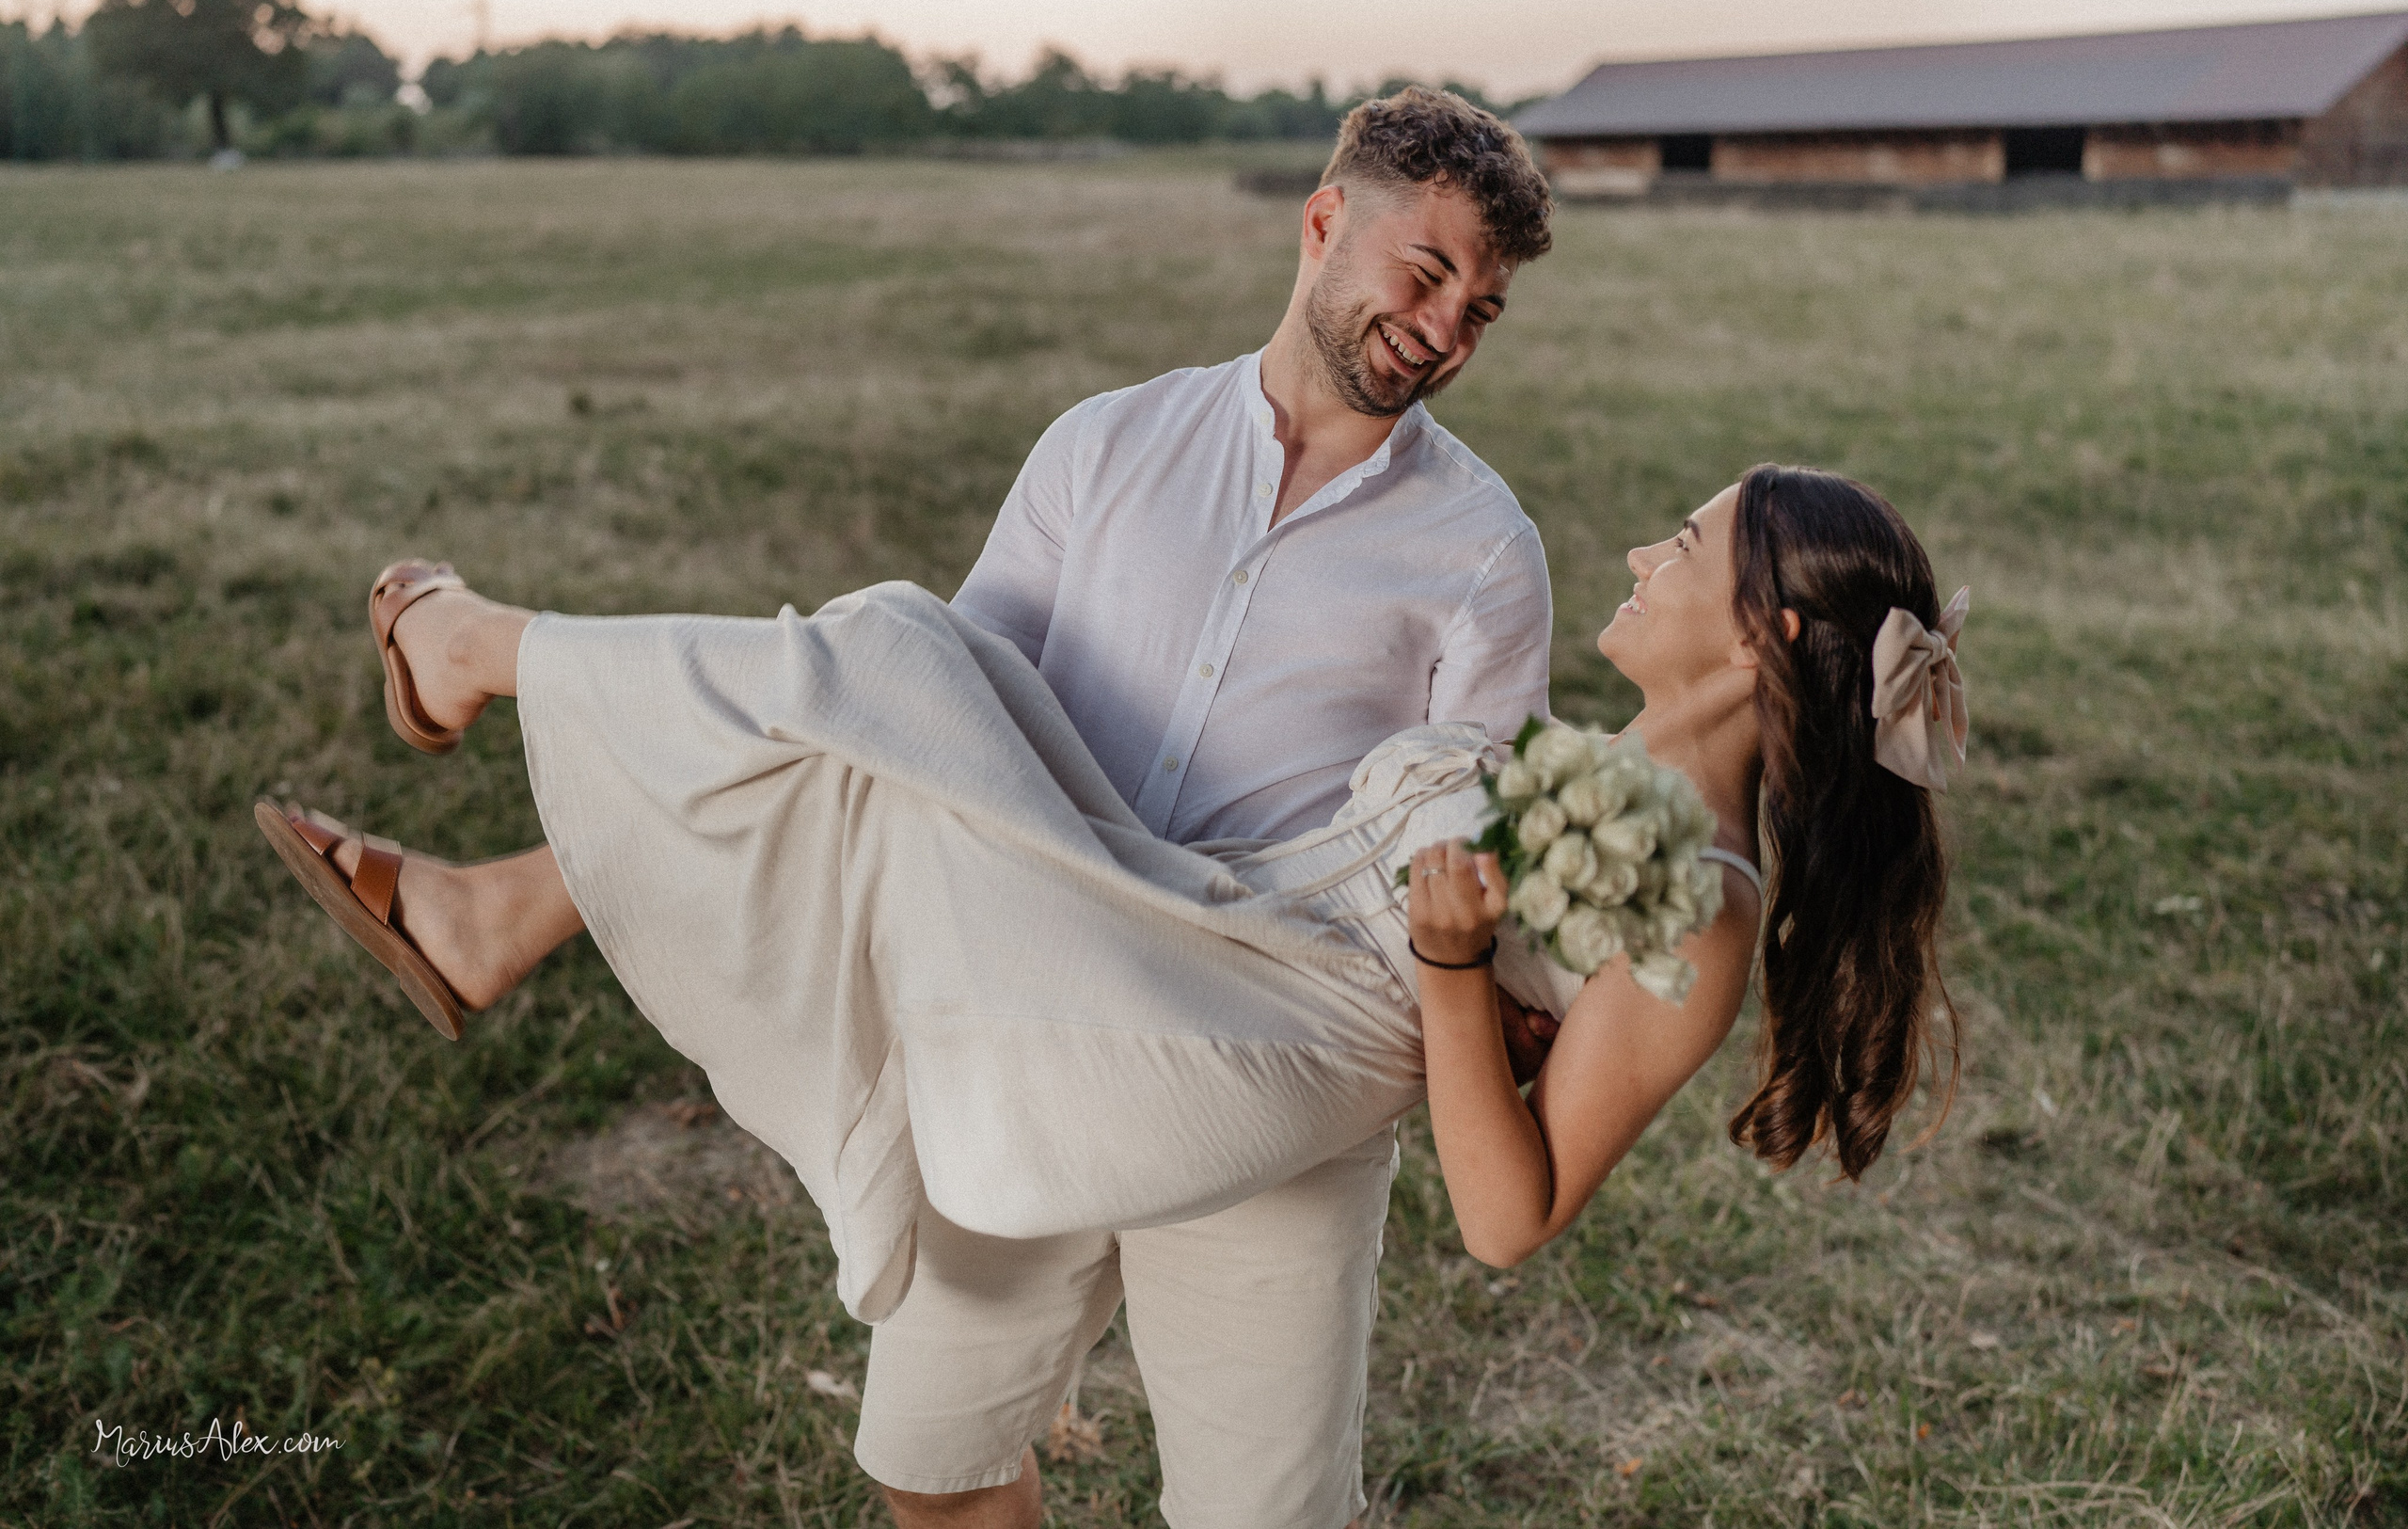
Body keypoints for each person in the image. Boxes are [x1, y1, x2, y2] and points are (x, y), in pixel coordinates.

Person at [260, 464, 1965, 1519]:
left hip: (1266, 1040)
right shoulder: (1588, 764)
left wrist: (1455, 974)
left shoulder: (1708, 901)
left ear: (1757, 645)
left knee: (893, 708)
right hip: (1213, 927)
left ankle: (490, 659)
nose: (1650, 550)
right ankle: (494, 905)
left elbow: (1509, 1214)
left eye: (1691, 543)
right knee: (916, 657)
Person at [354, 85, 1564, 1529]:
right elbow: (926, 717)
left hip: (1263, 1056)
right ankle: (494, 873)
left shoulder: (1484, 551)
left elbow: (1469, 839)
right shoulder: (1106, 445)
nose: (1442, 330)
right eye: (1424, 275)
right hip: (1027, 1004)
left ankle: (486, 685)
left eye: (1479, 313)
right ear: (1322, 226)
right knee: (930, 1473)